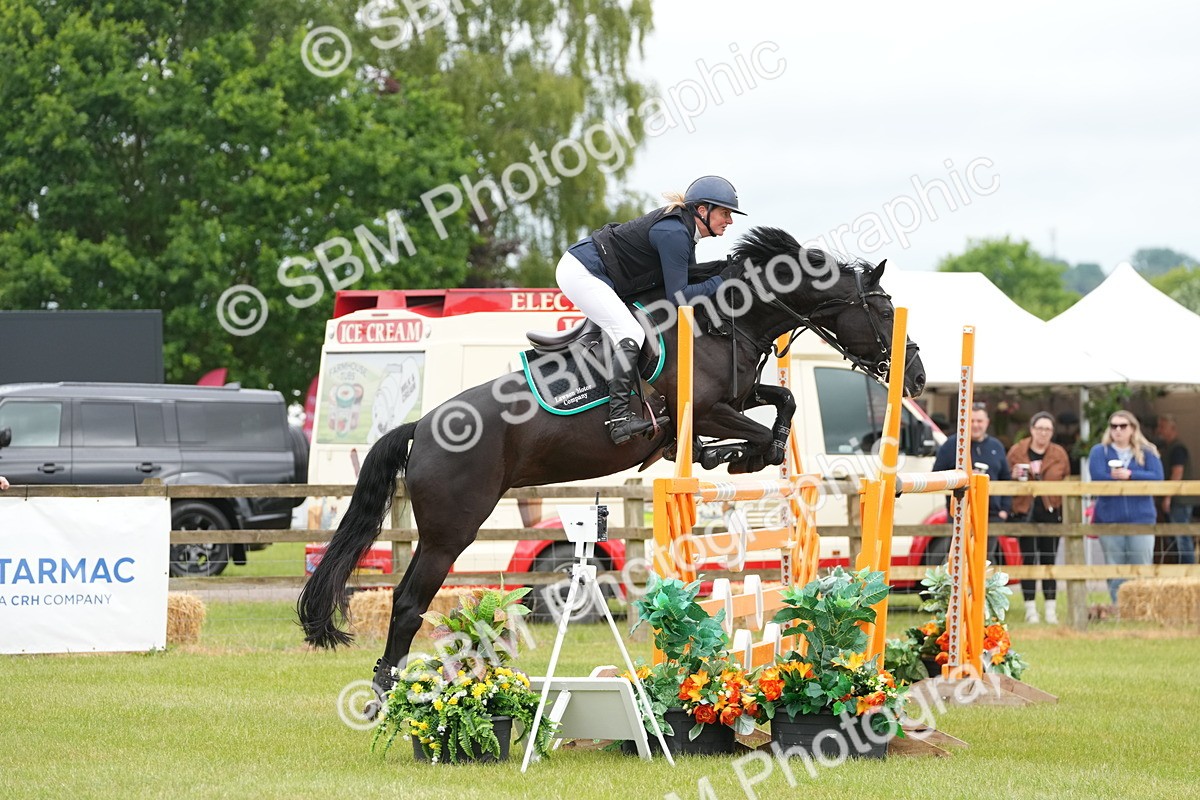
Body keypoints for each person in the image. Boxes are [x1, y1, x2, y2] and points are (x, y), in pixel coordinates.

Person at [556, 176, 743, 444]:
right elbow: (679, 297)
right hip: (582, 271)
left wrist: (722, 270)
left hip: (601, 274)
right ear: (703, 210)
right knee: (630, 330)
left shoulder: (685, 233)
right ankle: (619, 419)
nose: (730, 220)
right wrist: (723, 280)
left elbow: (689, 281)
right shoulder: (675, 234)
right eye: (725, 213)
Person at [1088, 410, 1163, 604]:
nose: (1118, 430)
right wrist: (1115, 478)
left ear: (1133, 428)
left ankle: (1143, 608)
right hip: (1110, 518)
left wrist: (1131, 475)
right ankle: (1119, 608)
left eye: (1123, 426)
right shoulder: (1100, 451)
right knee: (1115, 567)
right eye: (1114, 426)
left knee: (1142, 566)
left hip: (1142, 518)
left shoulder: (1148, 451)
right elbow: (1097, 476)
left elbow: (1157, 478)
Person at [1006, 412, 1070, 624]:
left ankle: (1051, 609)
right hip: (1025, 511)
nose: (1043, 433)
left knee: (1049, 559)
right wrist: (1012, 476)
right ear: (1032, 429)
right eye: (1040, 428)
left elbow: (1066, 478)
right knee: (1028, 560)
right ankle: (1030, 609)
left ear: (1052, 432)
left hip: (1051, 512)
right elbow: (1004, 476)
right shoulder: (1017, 451)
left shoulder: (1059, 453)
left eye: (1048, 429)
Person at [932, 402, 1013, 563]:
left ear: (987, 423)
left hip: (991, 513)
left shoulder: (996, 446)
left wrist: (1005, 509)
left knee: (984, 558)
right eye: (972, 421)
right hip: (960, 511)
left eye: (979, 421)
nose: (976, 425)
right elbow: (936, 475)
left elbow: (1006, 478)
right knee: (957, 557)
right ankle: (955, 588)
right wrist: (963, 477)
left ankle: (981, 589)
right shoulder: (951, 445)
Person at [1155, 414, 1196, 564]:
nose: (1159, 431)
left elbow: (1177, 473)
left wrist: (1167, 497)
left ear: (1172, 428)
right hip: (1177, 499)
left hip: (1180, 500)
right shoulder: (1169, 448)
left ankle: (1189, 572)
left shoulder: (1177, 448)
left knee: (1181, 535)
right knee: (1176, 536)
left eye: (1162, 427)